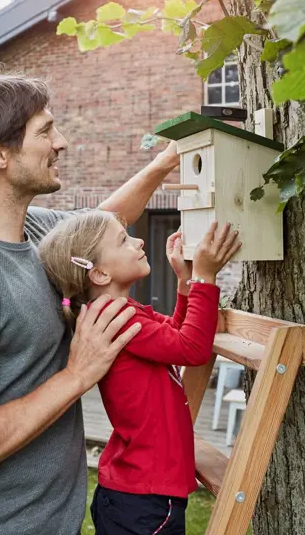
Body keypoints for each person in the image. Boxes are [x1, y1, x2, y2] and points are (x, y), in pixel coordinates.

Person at [0, 63, 182, 535]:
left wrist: (163, 164)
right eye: (45, 131)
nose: (61, 143)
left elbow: (102, 223)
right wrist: (77, 374)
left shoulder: (36, 233)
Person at [38, 210, 241, 535]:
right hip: (146, 501)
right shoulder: (117, 317)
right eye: (123, 239)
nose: (139, 241)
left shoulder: (119, 314)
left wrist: (186, 283)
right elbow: (192, 348)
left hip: (134, 495)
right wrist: (205, 277)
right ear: (100, 274)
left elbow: (175, 336)